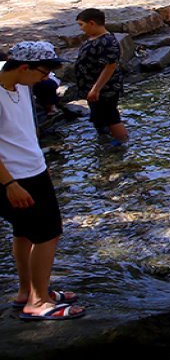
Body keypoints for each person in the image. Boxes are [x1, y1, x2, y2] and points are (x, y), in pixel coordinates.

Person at [0, 42, 86, 321]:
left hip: (31, 169)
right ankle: (38, 302)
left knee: (24, 232)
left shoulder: (20, 83)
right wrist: (9, 184)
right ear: (24, 67)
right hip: (13, 177)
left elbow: (24, 129)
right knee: (48, 234)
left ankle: (28, 291)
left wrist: (40, 162)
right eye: (43, 73)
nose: (45, 79)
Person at [73, 9, 128, 146]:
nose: (80, 29)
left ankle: (122, 143)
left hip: (105, 88)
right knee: (100, 115)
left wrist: (96, 89)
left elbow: (110, 66)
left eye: (81, 24)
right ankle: (105, 140)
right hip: (92, 87)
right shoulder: (94, 38)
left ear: (91, 23)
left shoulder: (107, 42)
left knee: (111, 116)